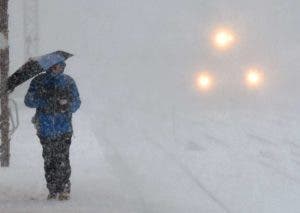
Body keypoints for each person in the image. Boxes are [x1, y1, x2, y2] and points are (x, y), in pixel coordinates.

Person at [24, 61, 81, 200]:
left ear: (63, 66)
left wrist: (66, 104)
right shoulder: (38, 81)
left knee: (62, 157)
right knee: (49, 159)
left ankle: (64, 188)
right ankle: (52, 188)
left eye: (60, 66)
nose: (57, 68)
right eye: (54, 66)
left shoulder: (68, 81)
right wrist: (45, 99)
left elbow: (76, 103)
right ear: (48, 66)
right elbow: (28, 101)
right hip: (44, 127)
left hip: (64, 128)